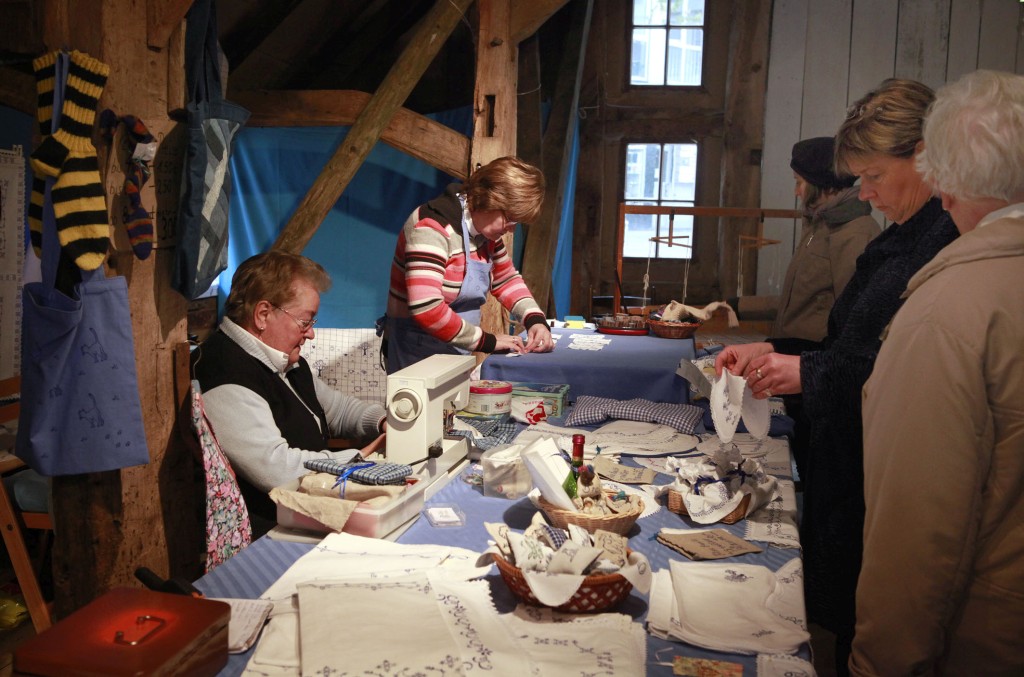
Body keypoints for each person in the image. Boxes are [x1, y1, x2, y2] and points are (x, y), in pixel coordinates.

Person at [714, 78, 959, 674]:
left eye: (873, 176)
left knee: (868, 626)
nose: (865, 193)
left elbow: (905, 373)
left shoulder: (944, 245)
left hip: (885, 472)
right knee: (843, 618)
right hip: (847, 459)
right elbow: (847, 345)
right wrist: (777, 349)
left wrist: (807, 371)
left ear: (924, 157)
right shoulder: (907, 234)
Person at [851, 70, 1024, 676]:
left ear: (944, 181)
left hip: (984, 637)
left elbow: (918, 523)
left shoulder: (949, 309)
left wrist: (879, 663)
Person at [193, 252, 387, 536]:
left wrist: (384, 422)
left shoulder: (283, 361)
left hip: (306, 511)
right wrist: (358, 457)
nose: (310, 334)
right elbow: (277, 470)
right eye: (305, 322)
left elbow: (337, 409)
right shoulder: (224, 373)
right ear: (263, 314)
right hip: (270, 531)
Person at [379, 156, 554, 374]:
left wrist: (534, 320)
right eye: (510, 219)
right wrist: (487, 341)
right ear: (491, 199)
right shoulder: (431, 228)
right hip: (416, 352)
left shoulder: (485, 236)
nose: (511, 229)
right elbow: (427, 309)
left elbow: (506, 279)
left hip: (455, 348)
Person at [772, 136, 880, 478]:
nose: (796, 192)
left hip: (817, 369)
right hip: (796, 361)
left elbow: (852, 320)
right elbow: (803, 299)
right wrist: (737, 307)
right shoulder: (819, 226)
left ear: (822, 184)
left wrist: (816, 369)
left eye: (799, 182)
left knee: (817, 467)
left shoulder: (856, 233)